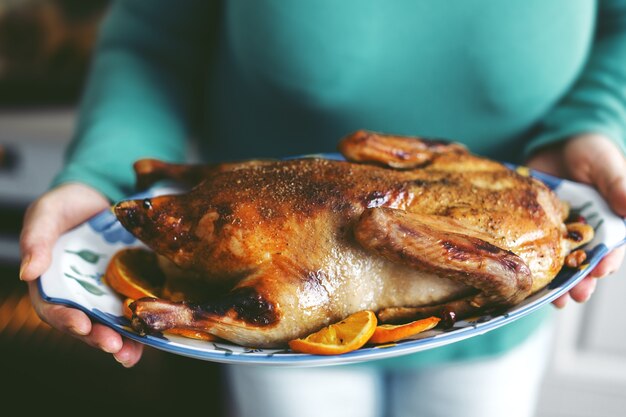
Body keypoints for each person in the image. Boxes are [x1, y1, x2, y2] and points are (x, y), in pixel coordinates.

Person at [19, 1, 626, 416]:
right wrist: (103, 174)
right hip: (258, 259)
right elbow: (154, 39)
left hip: (502, 303)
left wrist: (592, 123)